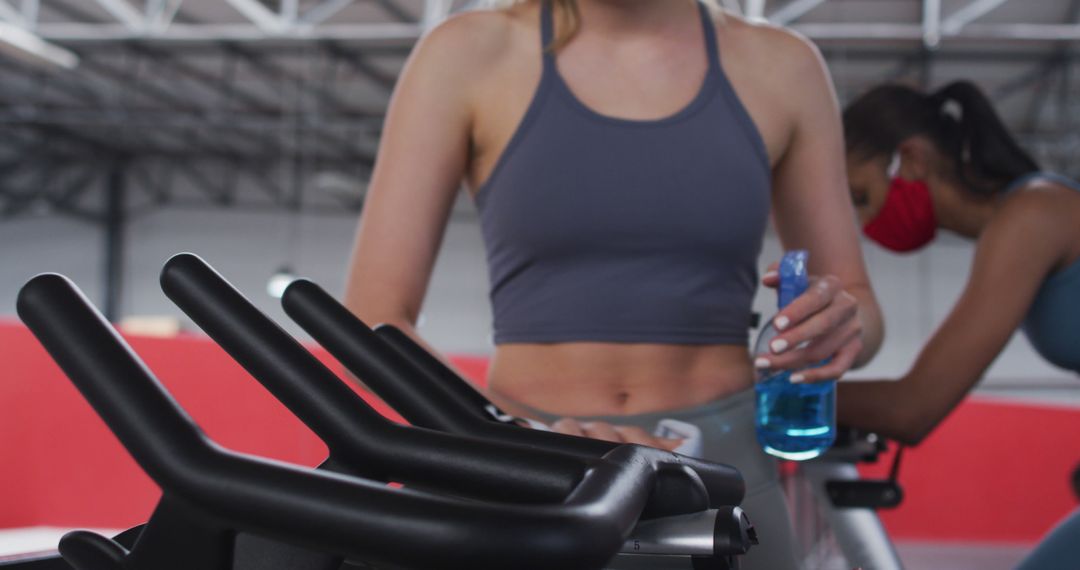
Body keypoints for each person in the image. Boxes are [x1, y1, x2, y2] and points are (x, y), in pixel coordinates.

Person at [343, 1, 884, 567]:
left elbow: (859, 306)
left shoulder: (783, 66)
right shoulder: (466, 54)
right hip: (521, 465)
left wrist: (841, 325)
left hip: (723, 471)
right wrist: (516, 439)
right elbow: (372, 320)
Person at [837, 80, 1080, 569]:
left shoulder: (1034, 213)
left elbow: (912, 408)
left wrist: (756, 394)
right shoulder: (1027, 216)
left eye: (861, 195)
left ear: (912, 159)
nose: (865, 223)